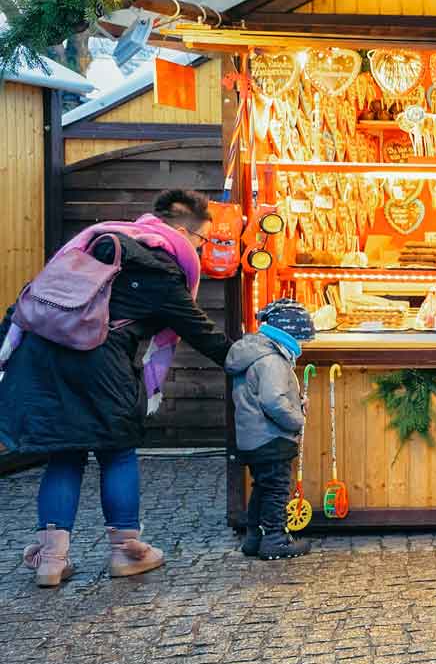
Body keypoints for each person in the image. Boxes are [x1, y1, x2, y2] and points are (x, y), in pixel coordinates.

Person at [0, 190, 231, 588]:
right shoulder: (160, 267)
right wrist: (255, 360)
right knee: (117, 452)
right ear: (180, 231)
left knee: (64, 454)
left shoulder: (95, 241)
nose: (201, 250)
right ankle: (126, 552)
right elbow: (201, 333)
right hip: (98, 363)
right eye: (201, 241)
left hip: (41, 359)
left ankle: (51, 561)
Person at [228, 300, 315, 560]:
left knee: (263, 487)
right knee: (276, 489)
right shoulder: (273, 361)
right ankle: (275, 539)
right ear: (290, 335)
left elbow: (261, 396)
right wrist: (297, 417)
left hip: (252, 436)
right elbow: (273, 401)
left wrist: (295, 402)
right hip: (271, 437)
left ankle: (254, 539)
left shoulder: (254, 354)